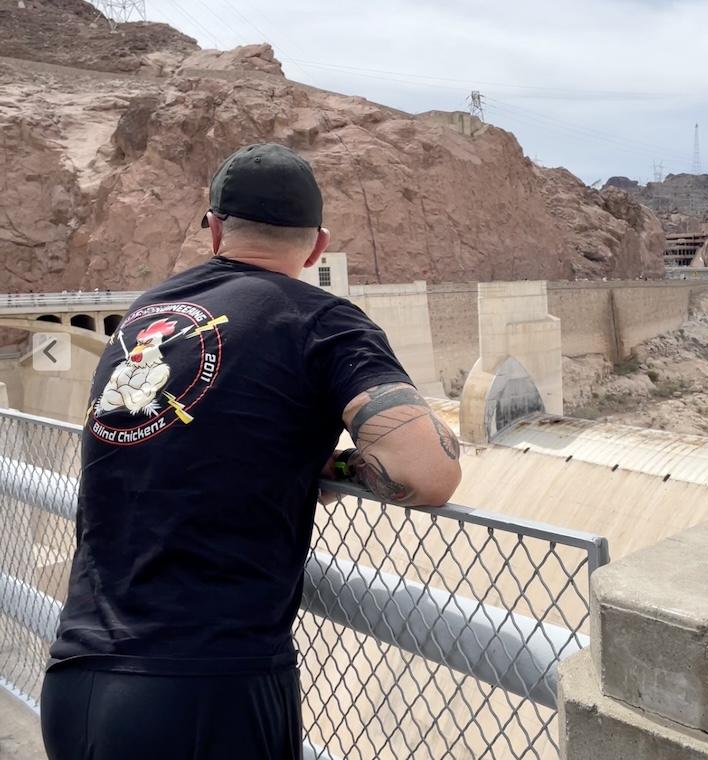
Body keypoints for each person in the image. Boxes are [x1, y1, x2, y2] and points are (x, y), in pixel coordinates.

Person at [39, 143, 461, 760]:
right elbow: (429, 475)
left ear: (213, 230)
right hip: (208, 690)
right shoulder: (323, 321)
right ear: (317, 247)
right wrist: (335, 464)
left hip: (77, 681)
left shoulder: (144, 313)